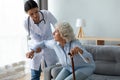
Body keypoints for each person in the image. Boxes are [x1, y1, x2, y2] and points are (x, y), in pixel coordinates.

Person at [27, 22, 96, 80]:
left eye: (56, 31)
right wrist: (32, 50)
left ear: (63, 34)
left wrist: (80, 51)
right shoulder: (55, 43)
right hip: (68, 68)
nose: (53, 33)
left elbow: (89, 59)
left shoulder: (74, 43)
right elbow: (44, 43)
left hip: (84, 68)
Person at [24, 0, 59, 80]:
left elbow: (57, 25)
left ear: (38, 8)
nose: (35, 15)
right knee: (34, 76)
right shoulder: (26, 23)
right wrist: (34, 50)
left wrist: (57, 32)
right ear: (27, 14)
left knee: (50, 75)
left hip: (49, 46)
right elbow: (33, 37)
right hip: (36, 48)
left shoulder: (46, 14)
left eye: (36, 12)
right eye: (31, 14)